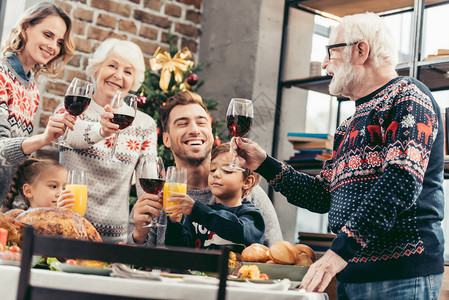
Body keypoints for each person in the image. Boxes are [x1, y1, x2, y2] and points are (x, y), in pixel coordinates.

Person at [231, 12, 444, 299]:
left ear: (361, 51)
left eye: (331, 52)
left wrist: (339, 252)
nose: (324, 64)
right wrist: (264, 164)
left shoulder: (408, 95)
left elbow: (401, 180)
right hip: (351, 274)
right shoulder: (348, 126)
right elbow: (322, 196)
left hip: (399, 276)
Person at [128, 91, 282, 247]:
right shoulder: (157, 197)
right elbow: (131, 266)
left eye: (201, 122)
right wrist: (139, 236)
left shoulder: (247, 193)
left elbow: (277, 258)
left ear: (210, 131)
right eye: (182, 123)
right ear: (166, 139)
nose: (195, 130)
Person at [59, 39, 157, 243]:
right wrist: (102, 130)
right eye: (112, 65)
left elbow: (146, 183)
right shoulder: (71, 107)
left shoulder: (145, 124)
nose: (118, 75)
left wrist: (146, 220)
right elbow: (72, 135)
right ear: (96, 70)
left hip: (115, 241)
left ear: (134, 82)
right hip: (69, 230)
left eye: (128, 72)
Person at [0, 2, 76, 205]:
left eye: (59, 42)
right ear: (26, 27)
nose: (53, 47)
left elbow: (17, 162)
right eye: (48, 35)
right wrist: (44, 138)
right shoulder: (1, 74)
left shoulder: (32, 89)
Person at [165, 142, 265, 252]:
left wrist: (196, 210)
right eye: (212, 169)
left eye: (227, 170)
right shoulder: (199, 213)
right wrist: (175, 223)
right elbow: (179, 251)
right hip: (199, 270)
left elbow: (238, 231)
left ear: (247, 181)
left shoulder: (251, 215)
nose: (216, 174)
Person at [2, 158, 74, 212]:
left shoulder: (64, 218)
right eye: (53, 186)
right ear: (28, 191)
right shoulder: (23, 221)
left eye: (64, 188)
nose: (61, 193)